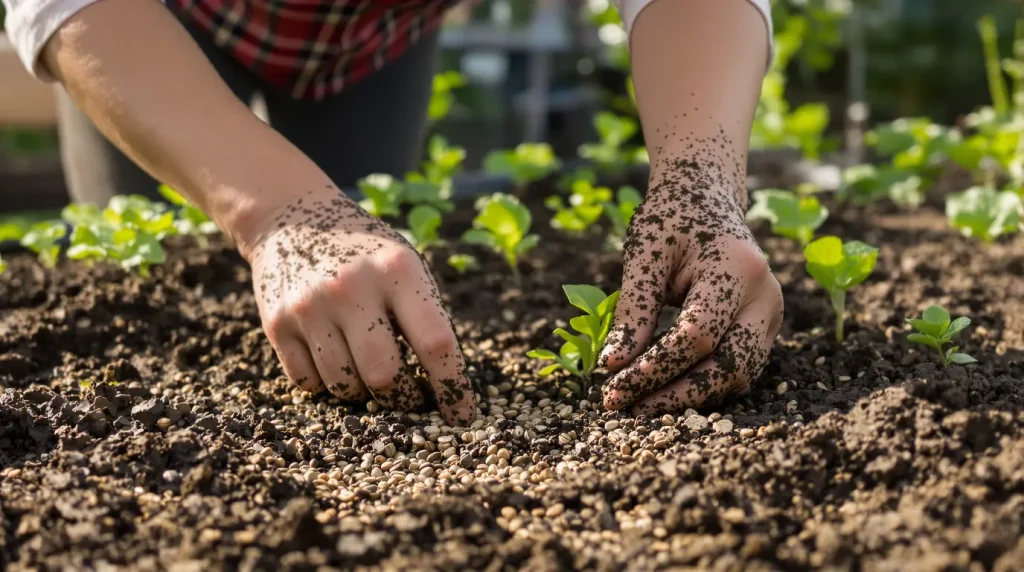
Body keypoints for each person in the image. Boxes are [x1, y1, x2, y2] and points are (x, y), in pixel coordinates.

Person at [2, 0, 784, 426]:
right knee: (132, 284)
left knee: (362, 294)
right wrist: (278, 211)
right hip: (153, 18)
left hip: (377, 30)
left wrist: (701, 178)